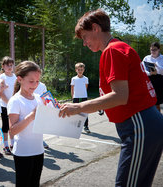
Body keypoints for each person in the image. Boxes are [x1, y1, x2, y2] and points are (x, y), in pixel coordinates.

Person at [59, 9, 163, 187]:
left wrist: (78, 107)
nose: (84, 43)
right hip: (142, 124)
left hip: (138, 124)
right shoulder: (118, 47)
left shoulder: (112, 50)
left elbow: (120, 96)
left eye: (85, 37)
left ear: (95, 28)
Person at [7, 61, 44, 187]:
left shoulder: (39, 98)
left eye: (37, 81)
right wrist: (31, 116)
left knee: (35, 183)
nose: (35, 85)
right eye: (31, 81)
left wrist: (54, 111)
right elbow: (12, 130)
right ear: (20, 79)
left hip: (39, 150)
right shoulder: (15, 101)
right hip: (23, 153)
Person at [0, 56, 16, 155]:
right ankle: (5, 145)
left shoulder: (15, 77)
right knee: (5, 126)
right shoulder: (2, 77)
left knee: (12, 126)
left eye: (11, 65)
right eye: (7, 65)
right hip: (5, 105)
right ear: (3, 66)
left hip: (13, 106)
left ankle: (13, 144)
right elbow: (1, 93)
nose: (10, 67)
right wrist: (9, 102)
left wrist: (14, 102)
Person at [142, 42, 163, 112]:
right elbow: (143, 69)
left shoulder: (162, 58)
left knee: (158, 102)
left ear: (159, 49)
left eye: (155, 49)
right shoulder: (147, 58)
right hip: (150, 80)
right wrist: (150, 73)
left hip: (160, 81)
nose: (153, 51)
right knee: (150, 101)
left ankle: (159, 119)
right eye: (151, 50)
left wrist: (157, 68)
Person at [70, 62, 90, 133]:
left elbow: (85, 87)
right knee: (76, 112)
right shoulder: (73, 79)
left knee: (85, 111)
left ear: (83, 70)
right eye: (78, 69)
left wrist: (83, 94)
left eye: (81, 69)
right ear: (76, 70)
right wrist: (72, 96)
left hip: (84, 97)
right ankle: (75, 126)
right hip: (76, 98)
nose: (80, 71)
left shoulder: (86, 78)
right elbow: (72, 88)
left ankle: (86, 126)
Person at [34, 81, 50, 149]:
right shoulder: (29, 83)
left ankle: (40, 140)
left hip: (41, 108)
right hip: (31, 107)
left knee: (40, 125)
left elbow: (46, 96)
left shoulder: (43, 85)